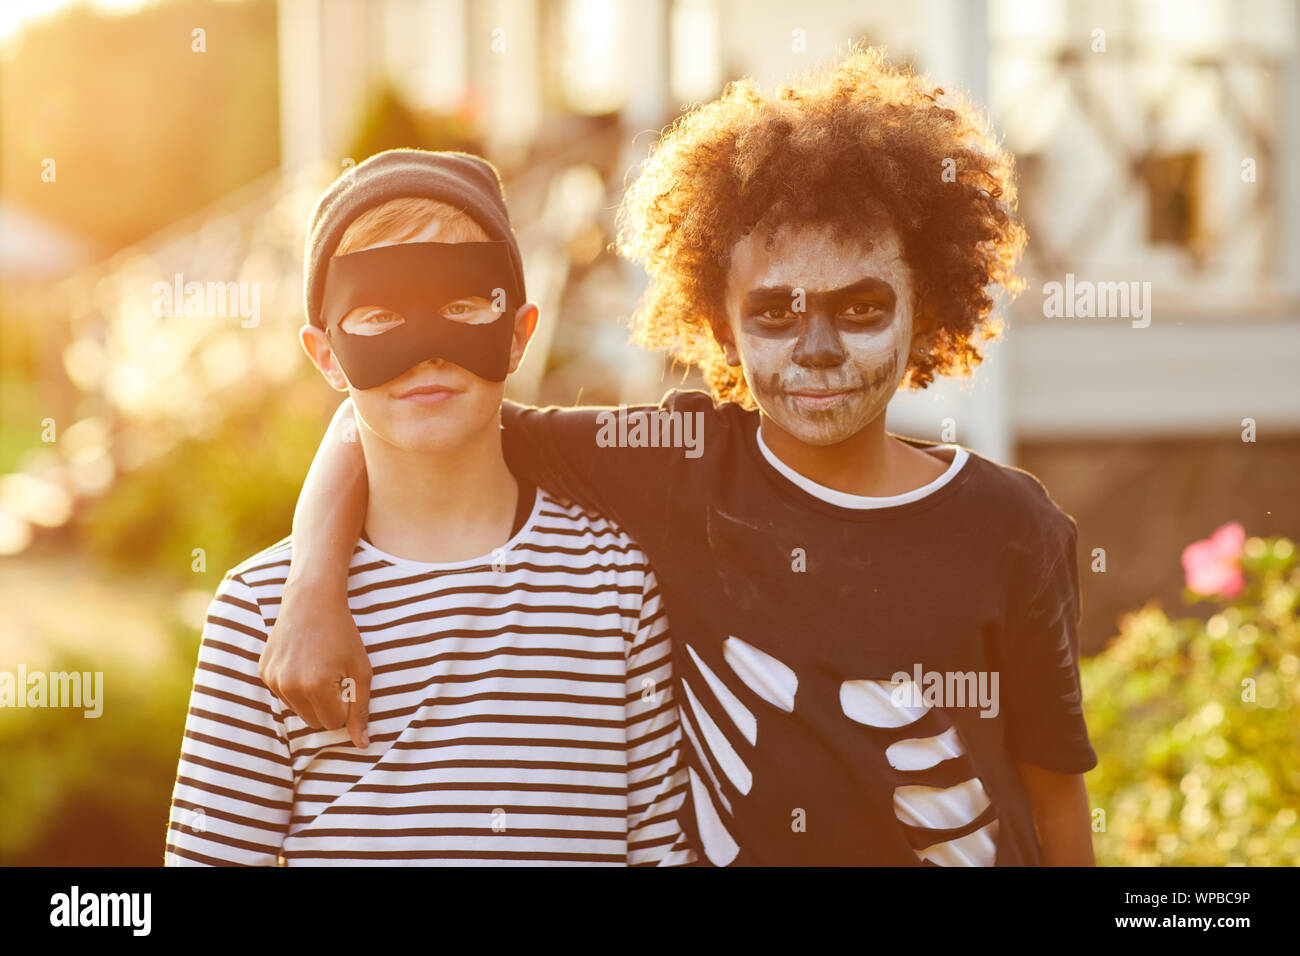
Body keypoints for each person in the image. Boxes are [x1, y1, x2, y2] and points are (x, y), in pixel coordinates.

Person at [261, 49, 1098, 866]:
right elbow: (413, 408)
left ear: (933, 300)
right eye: (773, 313)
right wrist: (311, 588)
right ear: (719, 321)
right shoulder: (674, 462)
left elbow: (1057, 798)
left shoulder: (1011, 525)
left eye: (861, 306)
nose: (816, 349)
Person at [166, 150, 694, 866]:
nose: (426, 352)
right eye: (378, 315)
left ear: (519, 334)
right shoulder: (261, 618)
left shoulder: (616, 586)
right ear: (326, 356)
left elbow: (661, 851)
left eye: (462, 307)